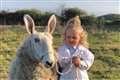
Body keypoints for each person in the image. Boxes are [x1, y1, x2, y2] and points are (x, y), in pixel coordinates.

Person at [57, 16, 94, 80]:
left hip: (81, 77)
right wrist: (69, 60)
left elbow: (89, 60)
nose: (71, 39)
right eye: (68, 37)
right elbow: (61, 63)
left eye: (74, 37)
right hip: (66, 77)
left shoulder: (83, 50)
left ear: (80, 38)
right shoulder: (61, 49)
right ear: (65, 37)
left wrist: (80, 63)